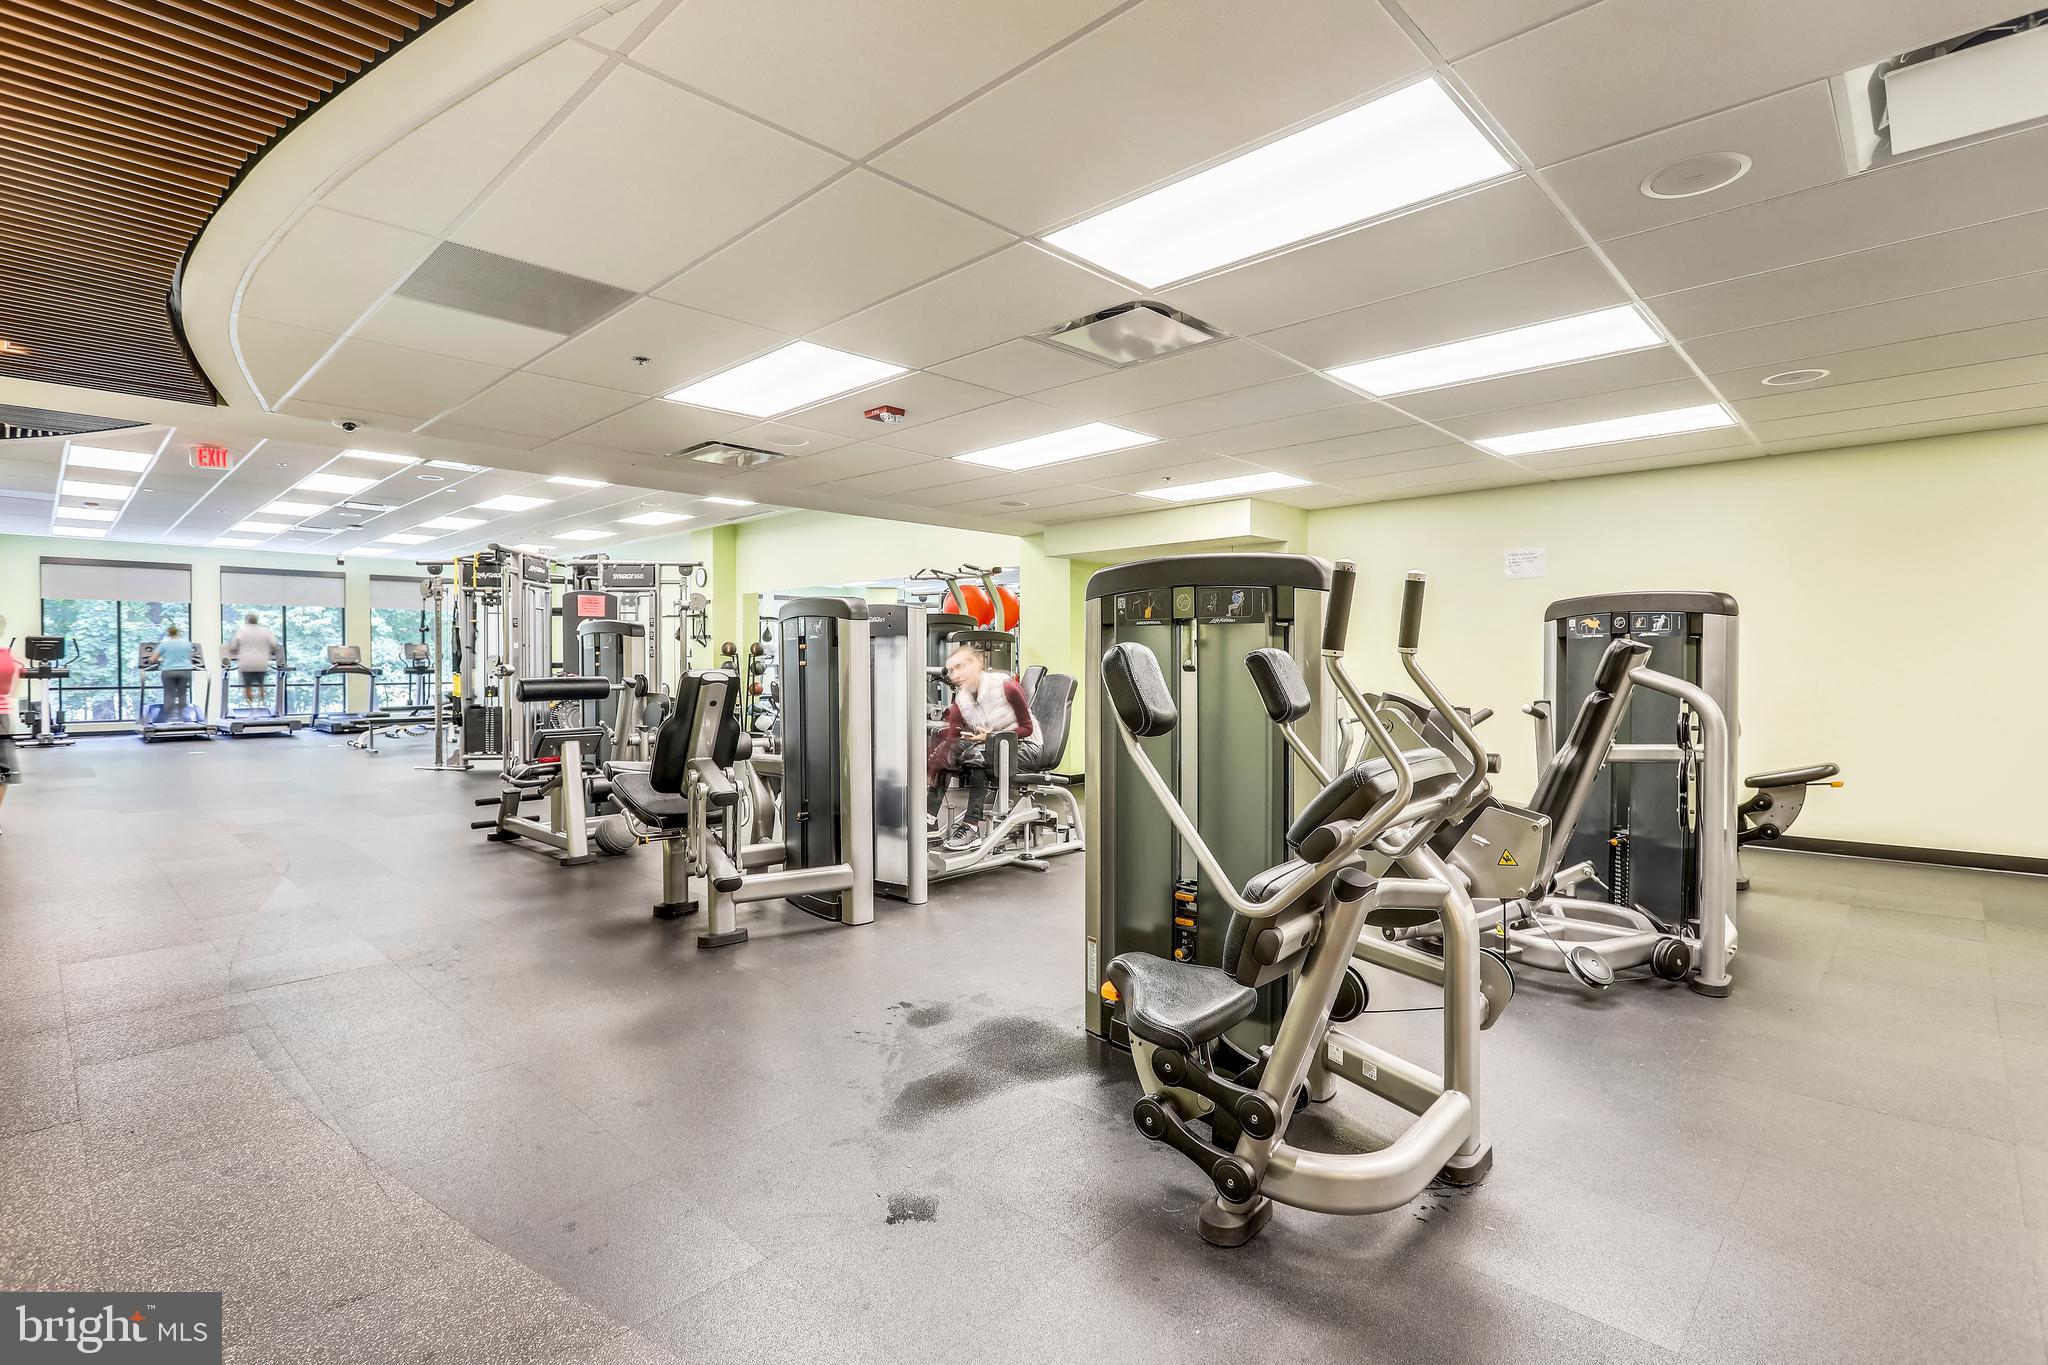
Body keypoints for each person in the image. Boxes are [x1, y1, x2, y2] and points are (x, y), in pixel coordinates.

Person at [926, 643, 1038, 852]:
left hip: (1027, 747)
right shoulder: (962, 699)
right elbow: (950, 739)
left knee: (976, 755)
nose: (956, 674)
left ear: (978, 664)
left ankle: (971, 826)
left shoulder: (1005, 686)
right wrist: (932, 769)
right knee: (948, 752)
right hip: (994, 746)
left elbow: (1027, 728)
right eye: (952, 670)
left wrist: (990, 737)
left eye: (961, 666)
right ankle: (929, 821)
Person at [225, 611, 280, 711]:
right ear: (257, 621)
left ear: (247, 621)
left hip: (246, 662)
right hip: (261, 662)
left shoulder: (241, 631)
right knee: (261, 685)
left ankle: (252, 708)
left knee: (247, 686)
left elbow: (233, 647)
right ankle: (260, 705)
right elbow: (273, 645)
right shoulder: (265, 631)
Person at [0, 620, 19, 834]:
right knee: (2, 773)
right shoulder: (7, 657)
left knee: (2, 772)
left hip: (1, 717)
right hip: (2, 717)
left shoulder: (6, 657)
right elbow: (9, 689)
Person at [155, 623, 196, 717]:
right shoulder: (186, 643)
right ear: (178, 633)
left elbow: (154, 658)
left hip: (169, 671)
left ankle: (169, 716)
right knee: (182, 693)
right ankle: (181, 716)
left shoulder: (164, 644)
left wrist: (153, 660)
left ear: (168, 633)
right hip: (185, 671)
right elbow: (190, 656)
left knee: (169, 693)